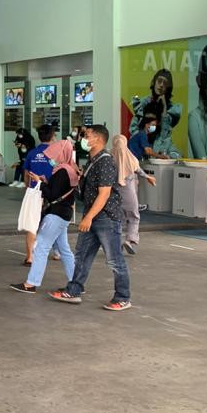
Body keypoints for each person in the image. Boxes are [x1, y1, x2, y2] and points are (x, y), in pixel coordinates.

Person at [49, 125, 132, 311]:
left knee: (114, 260)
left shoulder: (104, 162)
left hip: (105, 218)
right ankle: (74, 290)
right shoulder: (93, 161)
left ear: (98, 139)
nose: (83, 139)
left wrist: (88, 218)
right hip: (92, 216)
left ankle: (123, 297)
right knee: (82, 256)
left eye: (87, 136)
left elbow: (104, 194)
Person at [10, 139, 78, 294]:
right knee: (64, 249)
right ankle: (76, 282)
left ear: (61, 154)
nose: (51, 159)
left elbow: (52, 194)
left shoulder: (62, 172)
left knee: (41, 247)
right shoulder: (70, 169)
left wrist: (39, 183)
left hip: (56, 214)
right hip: (64, 213)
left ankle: (31, 283)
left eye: (53, 155)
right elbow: (59, 190)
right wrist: (44, 181)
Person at [112, 134, 157, 254]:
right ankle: (130, 240)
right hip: (129, 192)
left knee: (117, 219)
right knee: (133, 216)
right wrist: (148, 177)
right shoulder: (129, 156)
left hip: (113, 193)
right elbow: (138, 170)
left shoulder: (110, 157)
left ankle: (116, 243)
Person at [20, 125, 55, 266]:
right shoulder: (55, 154)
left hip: (35, 193)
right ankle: (57, 252)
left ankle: (29, 257)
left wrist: (27, 186)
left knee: (32, 225)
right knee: (54, 223)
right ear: (52, 136)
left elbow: (26, 173)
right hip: (51, 192)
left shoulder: (32, 153)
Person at [130, 69, 183, 157]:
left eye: (165, 83)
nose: (161, 85)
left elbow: (166, 133)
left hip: (159, 141)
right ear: (154, 82)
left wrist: (164, 107)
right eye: (159, 81)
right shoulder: (143, 103)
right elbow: (135, 127)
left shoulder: (171, 108)